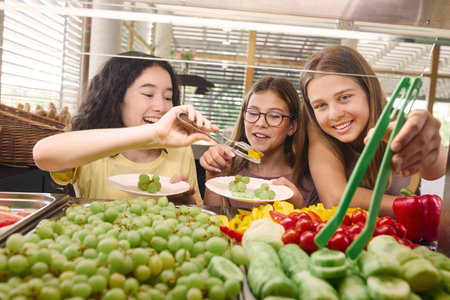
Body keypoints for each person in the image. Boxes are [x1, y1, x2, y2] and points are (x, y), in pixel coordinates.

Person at [33, 51, 217, 205]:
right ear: (116, 97)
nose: (161, 106)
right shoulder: (91, 145)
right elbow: (42, 154)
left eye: (168, 97)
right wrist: (152, 134)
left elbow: (195, 214)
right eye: (148, 94)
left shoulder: (180, 150)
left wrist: (186, 204)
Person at [299, 45, 447, 216]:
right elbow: (335, 198)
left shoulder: (396, 122)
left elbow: (437, 170)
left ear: (369, 91)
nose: (334, 115)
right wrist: (415, 206)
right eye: (321, 105)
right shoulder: (318, 130)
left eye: (345, 97)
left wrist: (431, 149)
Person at [200, 76, 319, 209]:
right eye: (253, 113)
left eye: (274, 116)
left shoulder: (311, 181)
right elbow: (215, 220)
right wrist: (213, 176)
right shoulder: (228, 168)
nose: (260, 123)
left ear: (292, 126)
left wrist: (298, 206)